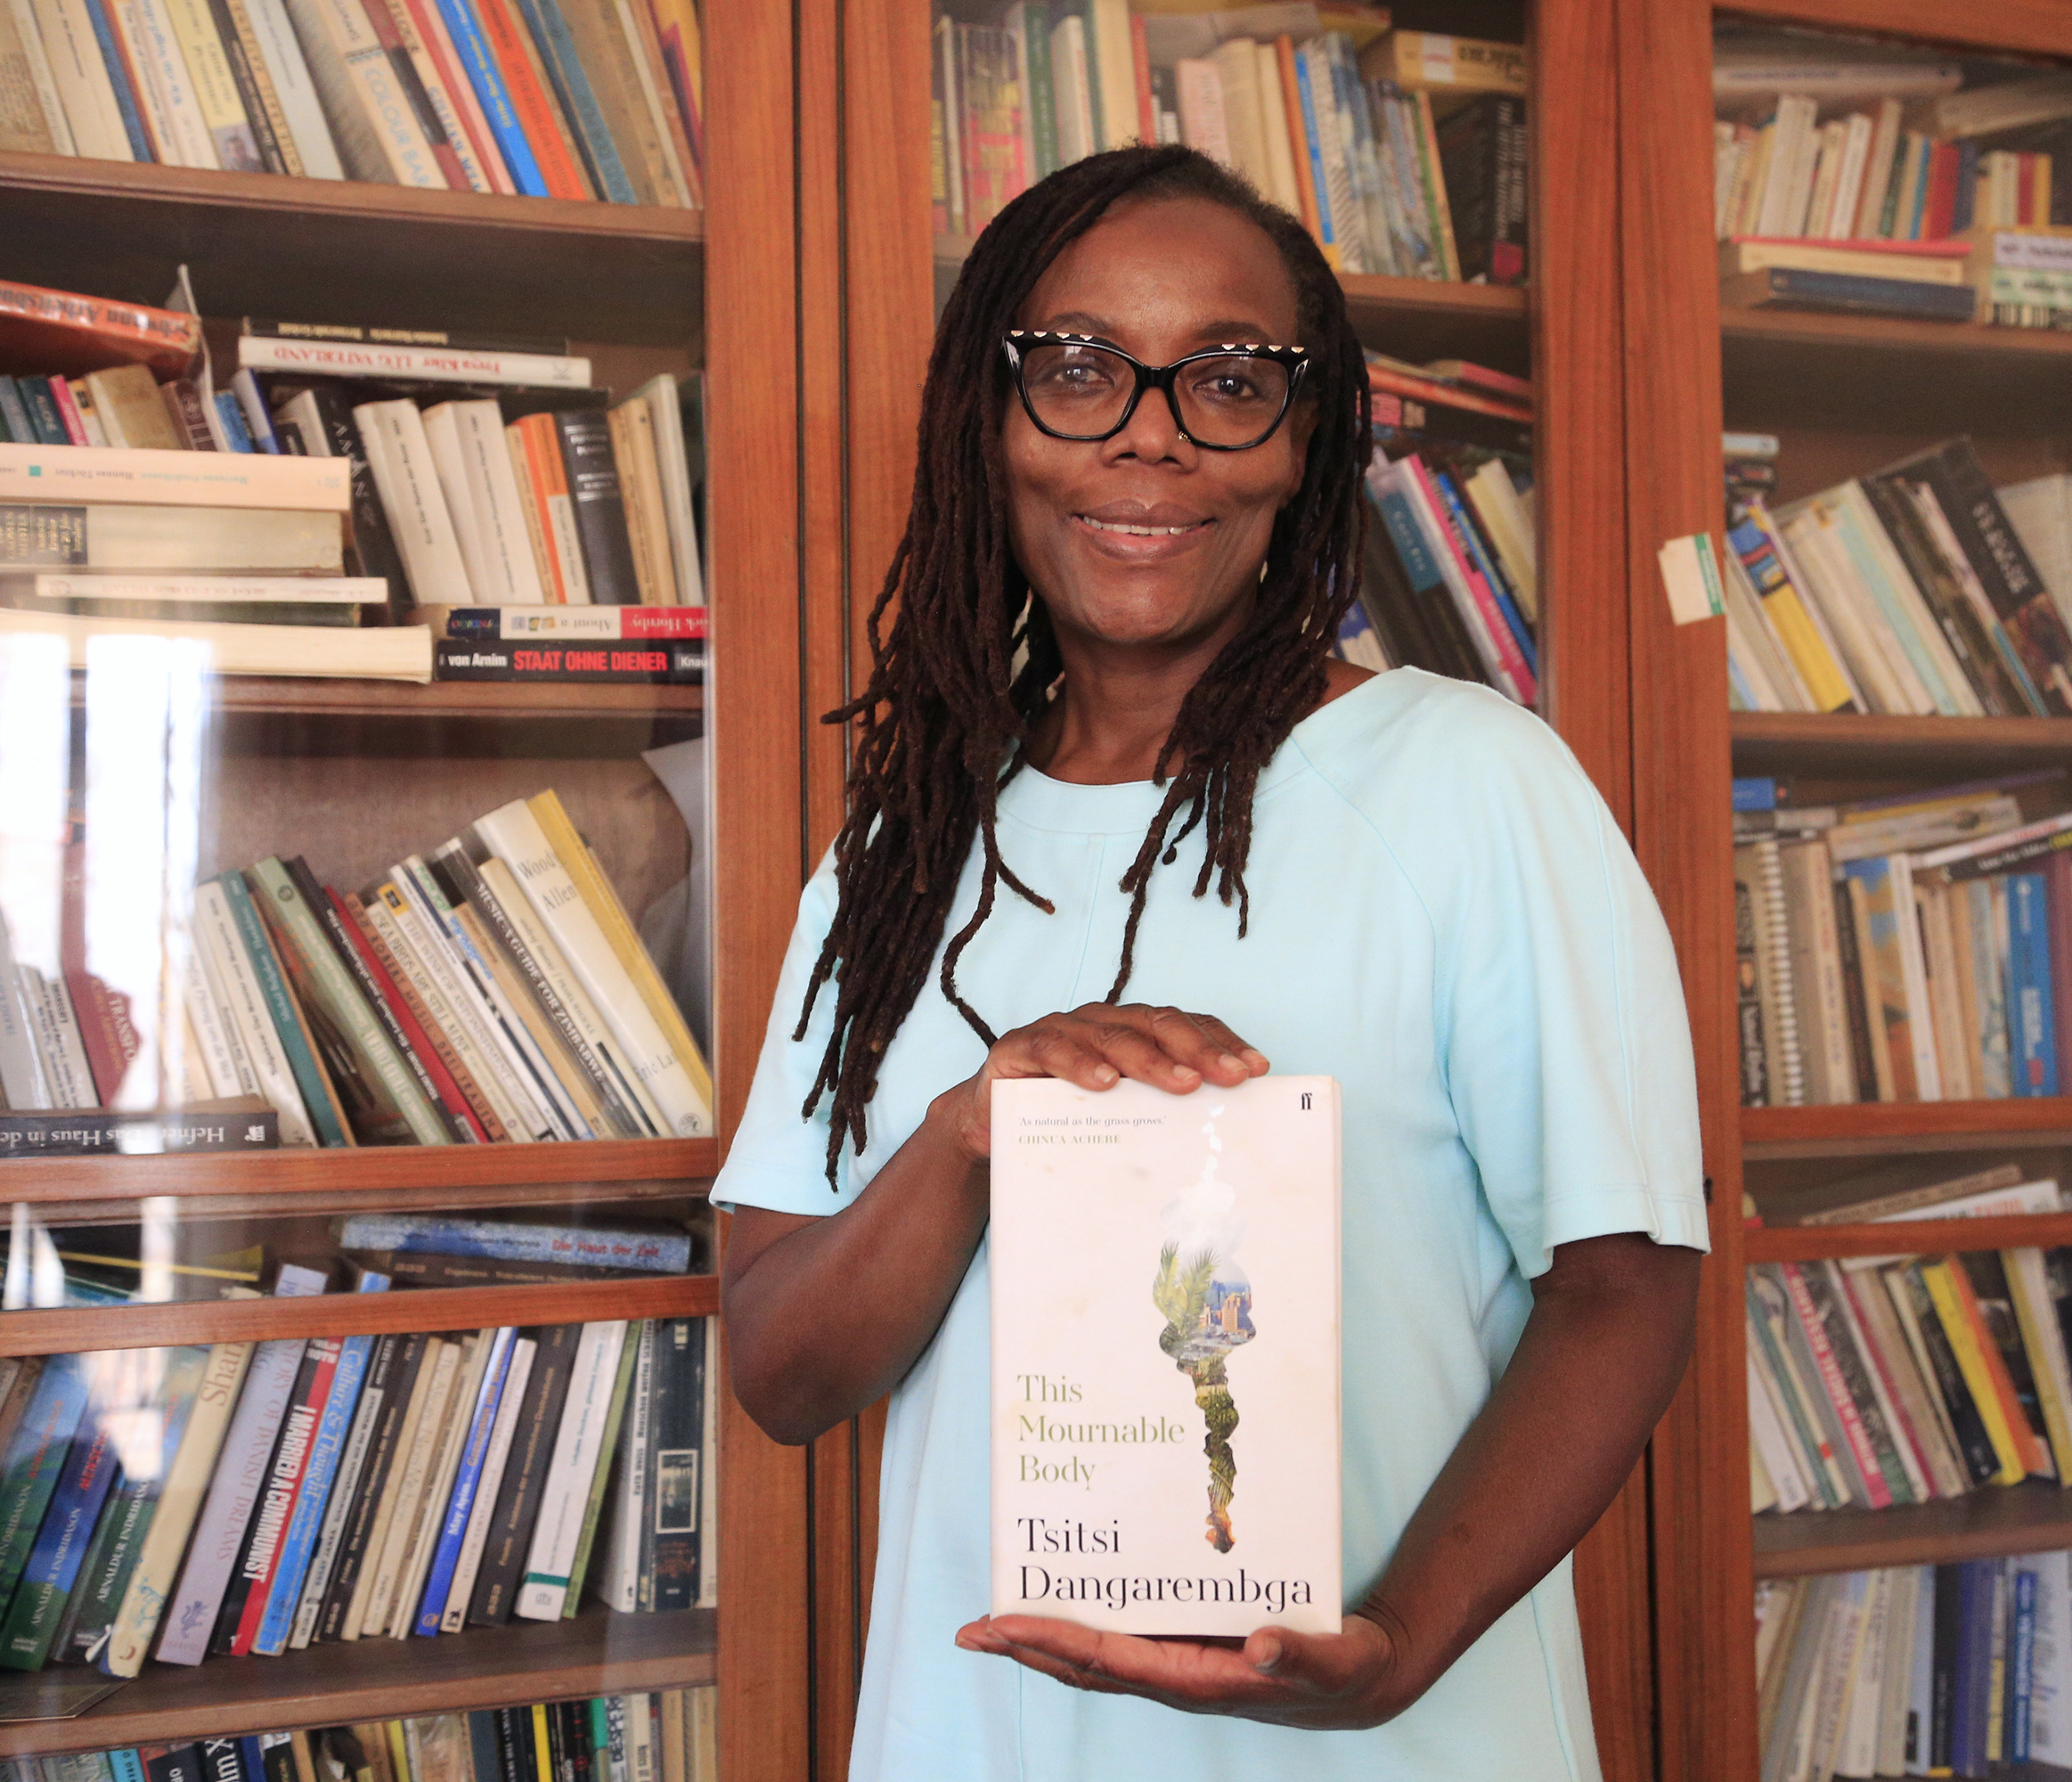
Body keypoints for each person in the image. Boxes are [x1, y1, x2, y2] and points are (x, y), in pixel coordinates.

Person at [713, 144, 1707, 1782]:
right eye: (1079, 368)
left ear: (1304, 444)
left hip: (1389, 1744)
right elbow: (783, 1374)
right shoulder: (889, 865)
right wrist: (977, 1128)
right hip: (973, 1744)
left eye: (1230, 379)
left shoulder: (1468, 781)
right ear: (990, 416)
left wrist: (1392, 1649)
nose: (1150, 431)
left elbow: (1624, 1288)